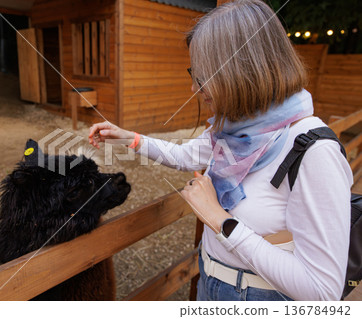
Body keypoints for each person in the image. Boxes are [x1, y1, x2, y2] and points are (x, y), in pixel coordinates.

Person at [88, 0, 353, 301]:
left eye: (202, 78)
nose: (194, 90)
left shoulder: (314, 151)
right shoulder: (235, 130)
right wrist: (129, 138)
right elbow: (184, 156)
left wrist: (219, 219)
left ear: (243, 72)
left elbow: (322, 292)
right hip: (209, 281)